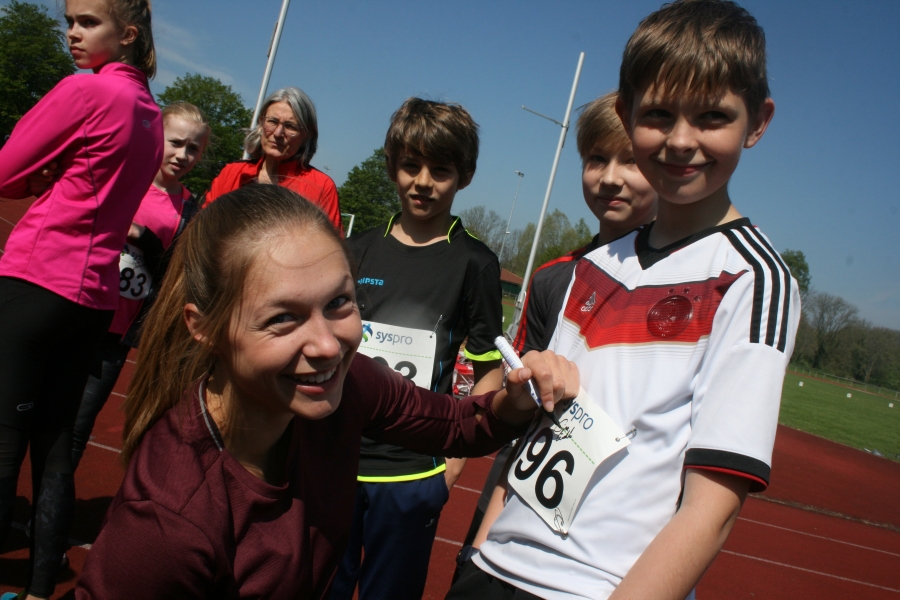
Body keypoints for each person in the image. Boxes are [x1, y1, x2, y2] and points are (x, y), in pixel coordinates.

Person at [448, 1, 800, 598]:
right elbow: (542, 430)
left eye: (712, 116)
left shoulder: (752, 279)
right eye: (659, 114)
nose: (681, 141)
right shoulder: (591, 265)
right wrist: (483, 545)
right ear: (625, 112)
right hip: (495, 567)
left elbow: (710, 511)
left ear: (758, 121)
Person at [73, 185, 578, 599]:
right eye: (283, 318)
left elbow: (455, 423)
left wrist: (517, 396)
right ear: (203, 327)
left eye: (340, 301)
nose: (327, 345)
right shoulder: (169, 522)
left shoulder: (351, 384)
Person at [455, 90, 658, 570]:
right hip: (520, 497)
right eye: (596, 159)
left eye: (631, 161)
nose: (610, 177)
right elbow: (513, 407)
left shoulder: (689, 286)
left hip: (613, 542)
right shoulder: (553, 278)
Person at [0, 1, 160, 598]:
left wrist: (43, 177)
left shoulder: (86, 91)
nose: (71, 32)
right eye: (70, 19)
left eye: (87, 21)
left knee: (3, 438)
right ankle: (42, 589)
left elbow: (7, 171)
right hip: (93, 300)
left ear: (127, 33)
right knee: (56, 449)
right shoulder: (150, 111)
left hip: (39, 276)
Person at [328, 98, 505, 600]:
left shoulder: (475, 263)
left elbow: (488, 370)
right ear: (391, 166)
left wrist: (450, 467)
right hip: (336, 459)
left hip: (413, 475)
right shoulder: (356, 248)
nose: (423, 181)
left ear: (464, 176)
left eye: (440, 170)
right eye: (410, 165)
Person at [70, 101, 210, 471]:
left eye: (193, 148)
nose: (183, 155)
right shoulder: (119, 176)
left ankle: (45, 519)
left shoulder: (188, 211)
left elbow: (172, 274)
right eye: (176, 142)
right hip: (70, 312)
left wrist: (144, 239)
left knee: (74, 434)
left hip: (114, 335)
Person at [204, 87, 343, 232]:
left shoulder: (321, 187)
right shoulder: (232, 173)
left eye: (290, 126)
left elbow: (331, 250)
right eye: (272, 121)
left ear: (307, 134)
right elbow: (201, 232)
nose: (278, 133)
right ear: (261, 122)